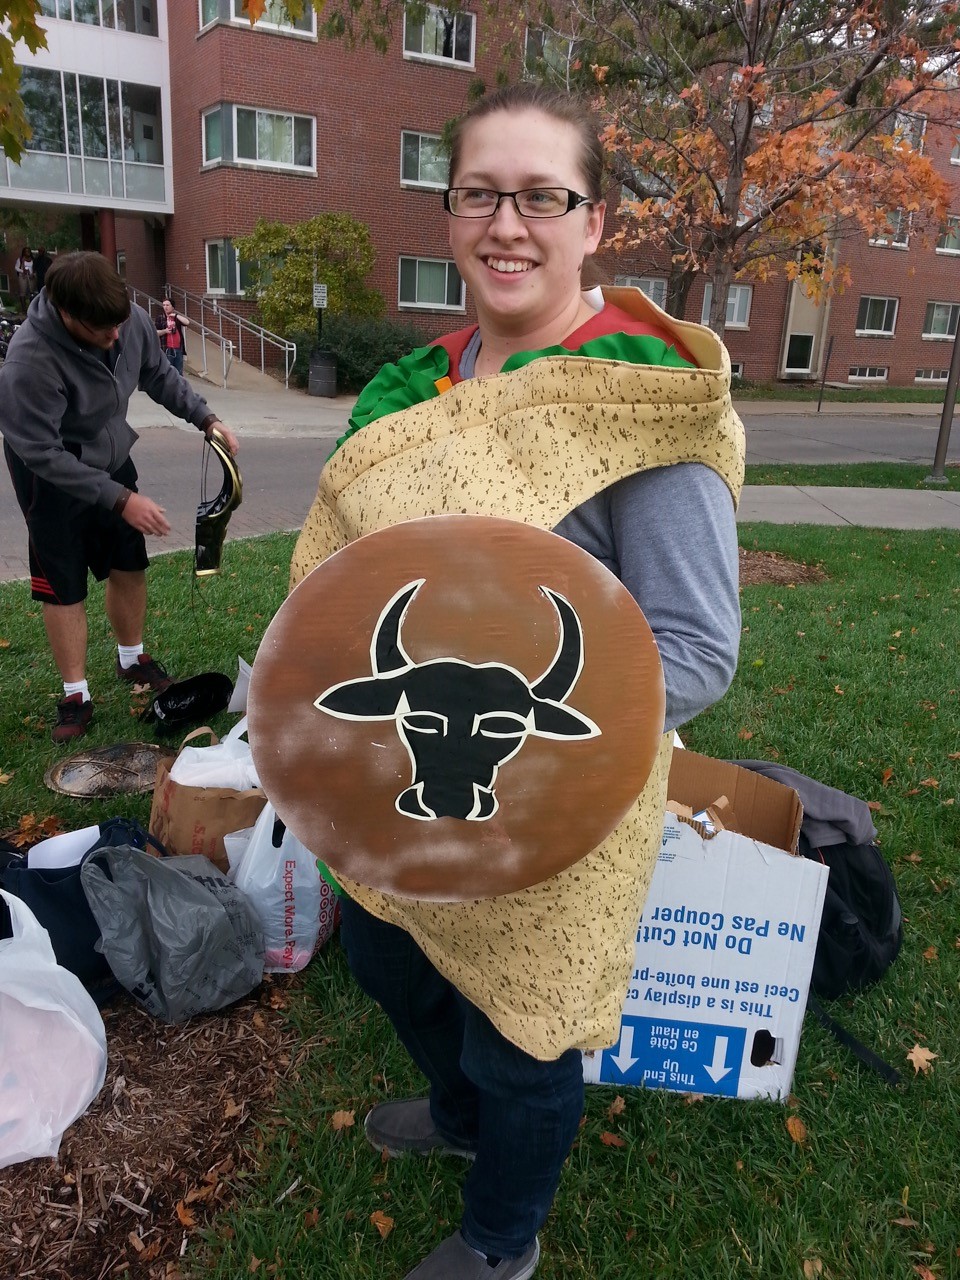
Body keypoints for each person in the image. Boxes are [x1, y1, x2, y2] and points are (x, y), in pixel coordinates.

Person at [290, 83, 744, 1280]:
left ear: (593, 221)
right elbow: (340, 595)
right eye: (483, 193)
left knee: (527, 1033)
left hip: (556, 811)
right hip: (402, 789)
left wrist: (531, 737)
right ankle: (455, 1115)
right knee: (389, 957)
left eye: (545, 196)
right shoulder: (410, 396)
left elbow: (694, 644)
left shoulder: (640, 400)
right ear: (449, 213)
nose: (509, 223)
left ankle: (502, 1236)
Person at [0, 251, 239, 743]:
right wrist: (120, 499)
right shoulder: (29, 359)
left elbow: (157, 373)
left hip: (109, 456)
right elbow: (41, 452)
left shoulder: (122, 322)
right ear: (67, 314)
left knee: (130, 559)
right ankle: (76, 694)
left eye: (120, 324)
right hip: (49, 473)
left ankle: (132, 658)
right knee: (62, 582)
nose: (116, 336)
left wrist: (206, 418)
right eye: (101, 329)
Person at [155, 297, 190, 374]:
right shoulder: (160, 318)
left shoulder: (176, 318)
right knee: (167, 372)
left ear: (172, 307)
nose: (165, 307)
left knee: (178, 372)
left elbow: (187, 322)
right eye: (164, 305)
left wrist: (175, 315)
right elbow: (155, 332)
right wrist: (165, 331)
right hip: (167, 349)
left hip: (178, 349)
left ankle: (178, 386)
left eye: (167, 305)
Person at [14, 246, 34, 313]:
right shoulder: (20, 259)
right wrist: (23, 271)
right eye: (26, 251)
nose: (27, 252)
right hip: (23, 277)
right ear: (24, 252)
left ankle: (31, 309)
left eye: (28, 251)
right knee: (23, 292)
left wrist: (32, 274)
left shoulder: (32, 259)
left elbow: (34, 268)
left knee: (31, 292)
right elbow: (16, 268)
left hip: (31, 277)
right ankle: (24, 309)